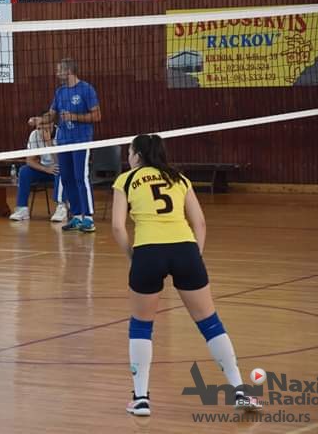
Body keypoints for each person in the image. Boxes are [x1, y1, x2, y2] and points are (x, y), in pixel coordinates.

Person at [111, 134, 262, 416]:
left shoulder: (126, 180)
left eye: (129, 152)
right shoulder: (179, 178)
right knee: (210, 323)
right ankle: (239, 391)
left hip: (148, 252)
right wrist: (195, 255)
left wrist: (134, 257)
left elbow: (118, 227)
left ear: (138, 155)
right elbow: (200, 222)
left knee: (141, 325)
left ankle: (141, 399)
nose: (128, 157)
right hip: (185, 250)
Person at [29, 58, 101, 232]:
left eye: (59, 70)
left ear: (68, 71)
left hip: (81, 140)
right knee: (66, 178)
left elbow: (97, 115)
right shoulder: (60, 92)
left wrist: (75, 117)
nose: (57, 73)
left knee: (80, 177)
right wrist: (40, 120)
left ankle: (88, 218)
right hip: (63, 141)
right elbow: (52, 114)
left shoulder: (86, 89)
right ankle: (76, 216)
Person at [9, 120, 67, 221]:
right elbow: (29, 160)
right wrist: (46, 169)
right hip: (45, 170)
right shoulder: (34, 135)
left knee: (61, 170)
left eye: (45, 127)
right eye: (39, 127)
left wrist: (49, 143)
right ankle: (22, 209)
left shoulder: (61, 133)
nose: (41, 131)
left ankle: (61, 207)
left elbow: (60, 161)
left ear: (52, 124)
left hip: (59, 169)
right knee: (24, 171)